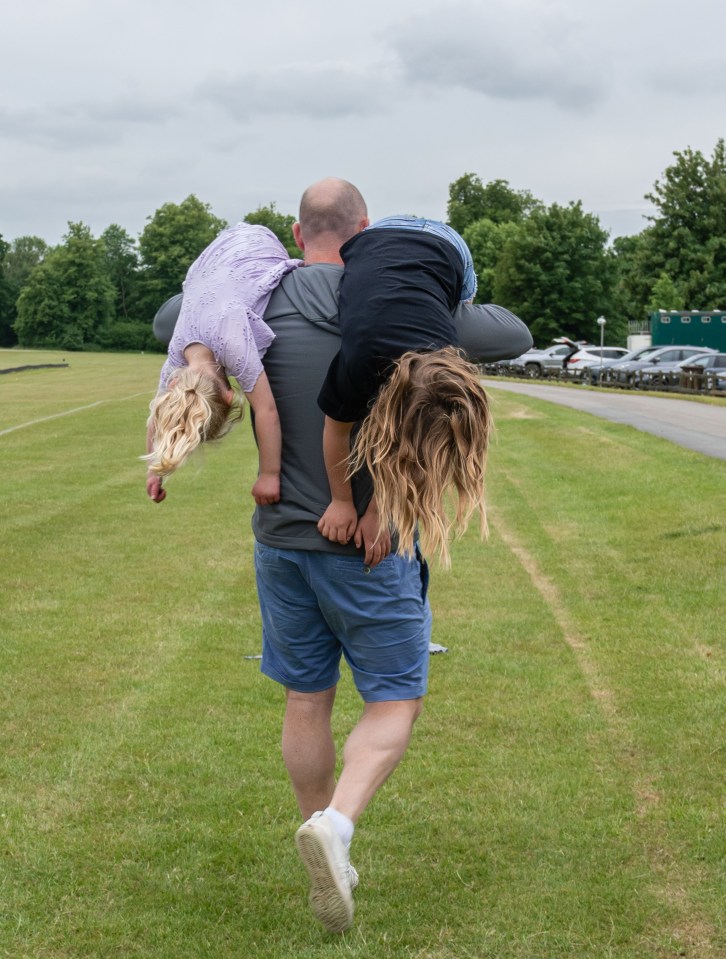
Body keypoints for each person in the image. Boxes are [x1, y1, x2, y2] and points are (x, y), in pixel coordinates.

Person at [151, 178, 533, 934]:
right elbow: (512, 332)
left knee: (307, 697)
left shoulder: (253, 303)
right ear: (362, 230)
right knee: (394, 697)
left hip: (281, 540)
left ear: (297, 236)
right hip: (368, 540)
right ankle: (337, 827)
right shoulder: (396, 305)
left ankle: (320, 836)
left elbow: (173, 314)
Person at [316, 216, 492, 565]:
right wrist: (342, 502)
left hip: (424, 241)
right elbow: (335, 430)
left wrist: (379, 512)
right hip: (398, 238)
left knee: (457, 302)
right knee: (461, 303)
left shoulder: (450, 363)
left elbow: (403, 448)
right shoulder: (361, 361)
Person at [144, 223, 300, 505]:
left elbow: (266, 410)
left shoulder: (232, 345)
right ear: (174, 385)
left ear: (230, 398)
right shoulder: (175, 360)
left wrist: (269, 474)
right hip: (219, 250)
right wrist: (154, 472)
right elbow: (156, 419)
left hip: (258, 246)